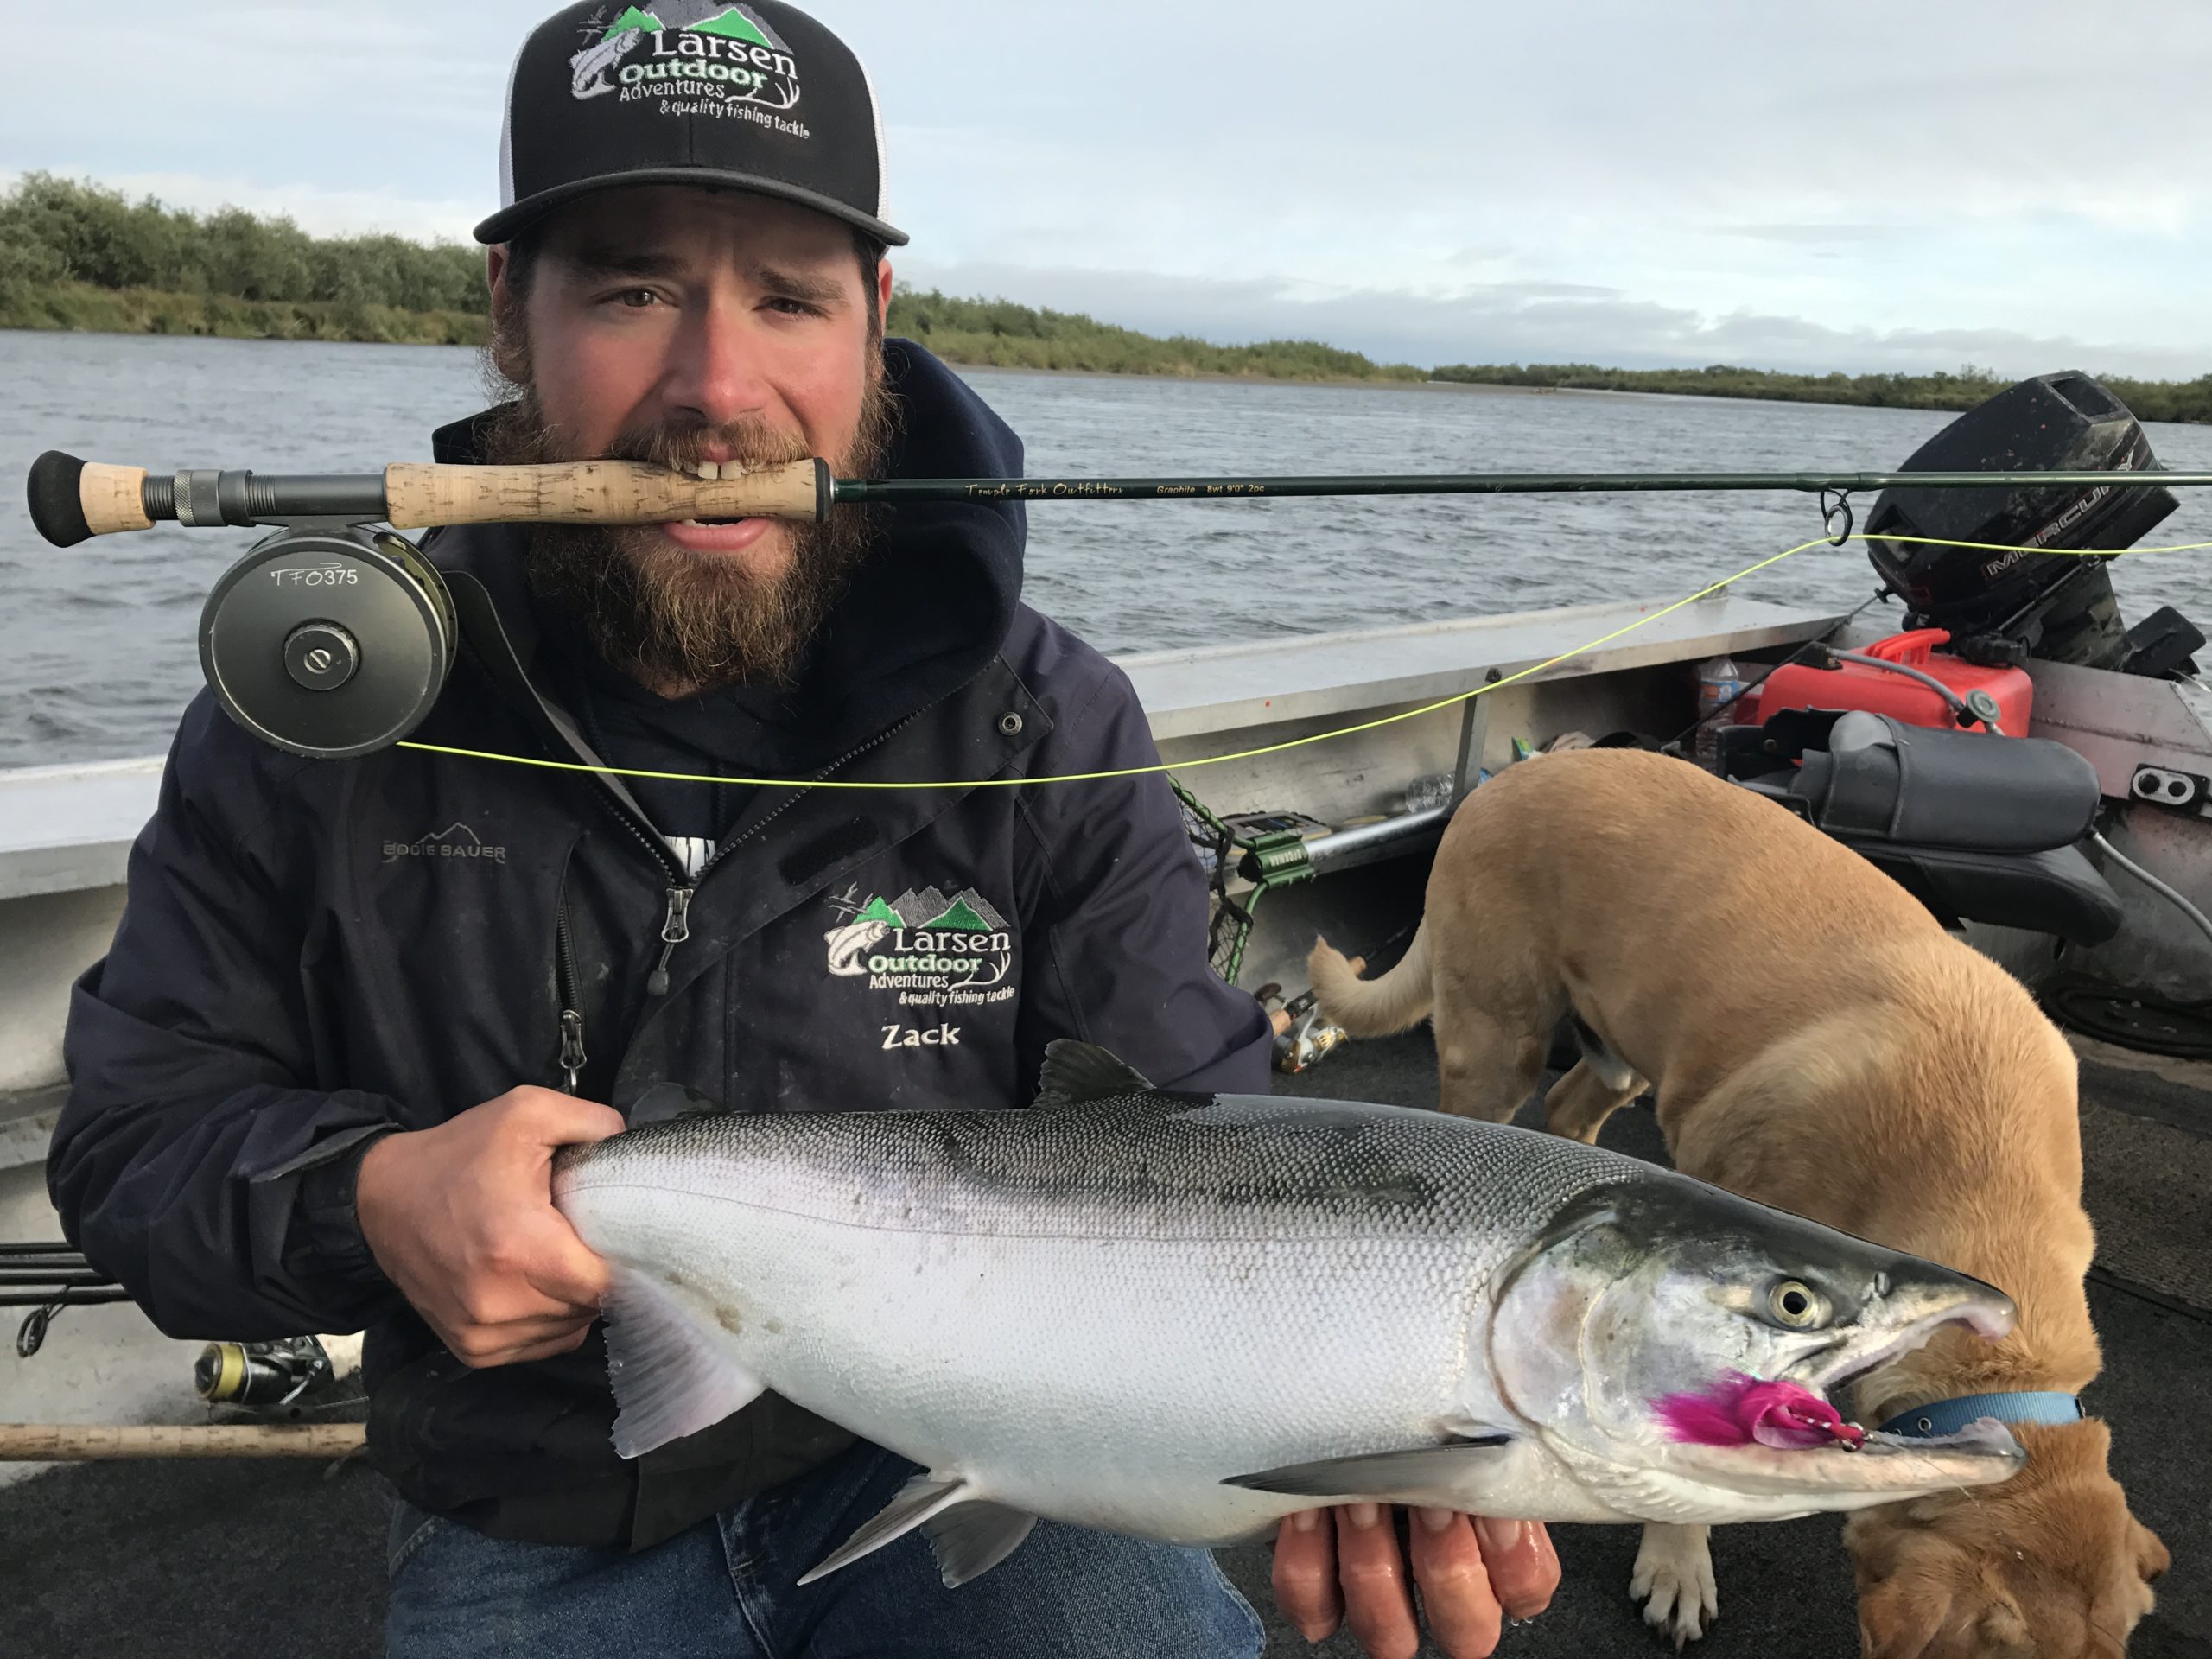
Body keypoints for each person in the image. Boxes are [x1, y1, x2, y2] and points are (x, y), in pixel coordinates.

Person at [48, 3, 1560, 1655]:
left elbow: (1211, 1147)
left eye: (789, 298)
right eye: (629, 287)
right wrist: (374, 1198)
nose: (716, 387)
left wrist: (1371, 1409)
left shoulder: (1047, 721)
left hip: (973, 1465)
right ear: (509, 316)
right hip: (527, 1508)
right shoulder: (327, 712)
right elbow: (135, 1148)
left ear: (876, 323)